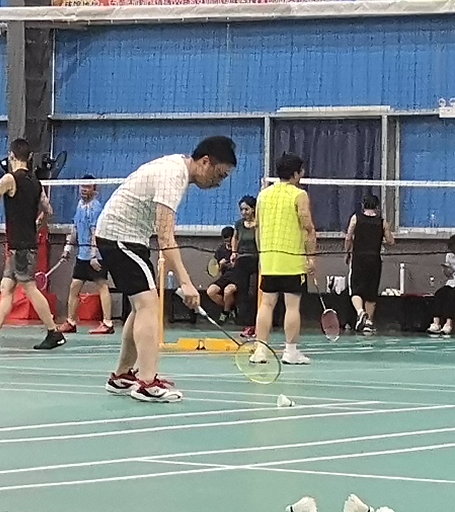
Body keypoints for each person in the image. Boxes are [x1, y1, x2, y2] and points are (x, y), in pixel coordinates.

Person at [97, 135, 237, 401]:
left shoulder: (176, 170)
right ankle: (147, 382)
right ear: (205, 162)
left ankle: (122, 375)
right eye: (220, 174)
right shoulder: (173, 176)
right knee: (149, 305)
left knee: (141, 306)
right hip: (120, 237)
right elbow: (165, 237)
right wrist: (186, 282)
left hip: (125, 237)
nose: (219, 183)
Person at [0, 141, 62, 349]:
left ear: (11, 156)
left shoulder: (9, 179)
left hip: (22, 248)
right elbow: (49, 210)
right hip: (21, 244)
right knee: (6, 288)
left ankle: (54, 332)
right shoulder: (36, 183)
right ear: (29, 156)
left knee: (30, 289)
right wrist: (37, 223)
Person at [251, 149, 315, 364]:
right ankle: (291, 351)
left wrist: (262, 256)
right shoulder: (300, 195)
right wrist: (311, 257)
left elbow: (257, 229)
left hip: (268, 259)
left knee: (266, 304)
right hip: (292, 260)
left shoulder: (263, 195)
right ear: (297, 174)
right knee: (292, 306)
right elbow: (307, 228)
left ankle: (260, 351)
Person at [207, 196, 258, 332]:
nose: (243, 212)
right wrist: (234, 252)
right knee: (242, 292)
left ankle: (255, 321)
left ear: (253, 209)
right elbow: (236, 237)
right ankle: (242, 319)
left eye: (246, 209)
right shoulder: (239, 225)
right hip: (242, 261)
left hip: (256, 260)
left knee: (254, 292)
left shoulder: (260, 224)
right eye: (241, 210)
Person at [340, 194, 386, 337]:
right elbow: (391, 240)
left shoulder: (356, 218)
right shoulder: (382, 222)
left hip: (359, 258)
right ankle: (368, 323)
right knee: (371, 293)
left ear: (363, 205)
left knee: (356, 289)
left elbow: (348, 237)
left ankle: (360, 313)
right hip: (375, 259)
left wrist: (347, 252)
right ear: (377, 207)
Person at [70, 178, 109, 332]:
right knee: (74, 287)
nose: (83, 189)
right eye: (82, 186)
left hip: (96, 255)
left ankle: (107, 323)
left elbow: (95, 232)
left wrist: (94, 255)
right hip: (82, 254)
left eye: (87, 186)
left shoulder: (96, 208)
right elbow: (75, 227)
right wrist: (67, 247)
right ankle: (71, 321)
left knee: (102, 286)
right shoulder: (79, 205)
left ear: (94, 189)